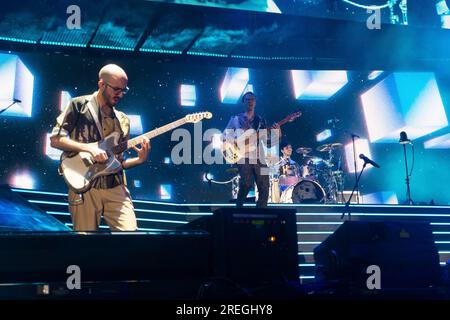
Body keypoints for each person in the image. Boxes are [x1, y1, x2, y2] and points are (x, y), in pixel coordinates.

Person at [50, 64, 150, 231]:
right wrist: (89, 148)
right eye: (116, 89)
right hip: (85, 187)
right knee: (85, 246)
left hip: (116, 186)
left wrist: (139, 160)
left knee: (131, 239)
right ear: (101, 84)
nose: (120, 94)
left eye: (124, 90)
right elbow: (55, 140)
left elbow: (119, 162)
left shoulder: (123, 119)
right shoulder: (78, 105)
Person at [223, 92, 280, 208]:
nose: (250, 101)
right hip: (243, 156)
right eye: (248, 99)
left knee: (264, 186)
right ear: (243, 102)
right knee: (246, 183)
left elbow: (268, 143)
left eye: (253, 99)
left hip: (260, 157)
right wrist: (237, 140)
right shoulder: (235, 119)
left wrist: (277, 133)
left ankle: (261, 213)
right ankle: (238, 208)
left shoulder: (261, 121)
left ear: (255, 102)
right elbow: (224, 136)